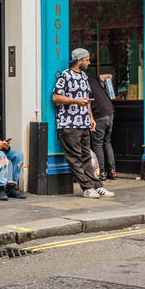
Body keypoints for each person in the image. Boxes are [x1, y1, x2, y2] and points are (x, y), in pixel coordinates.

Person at [51, 48, 112, 198]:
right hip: (68, 123)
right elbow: (55, 97)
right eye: (87, 60)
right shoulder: (65, 76)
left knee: (86, 156)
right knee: (75, 157)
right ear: (79, 60)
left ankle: (97, 186)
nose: (89, 62)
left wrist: (90, 118)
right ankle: (86, 187)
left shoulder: (84, 76)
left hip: (84, 122)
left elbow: (88, 100)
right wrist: (74, 101)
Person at [88, 66, 117, 181]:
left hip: (99, 114)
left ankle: (102, 172)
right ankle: (112, 171)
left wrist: (91, 118)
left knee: (98, 143)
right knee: (107, 141)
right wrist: (107, 80)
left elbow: (88, 102)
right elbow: (108, 76)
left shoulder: (83, 81)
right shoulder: (93, 78)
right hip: (110, 111)